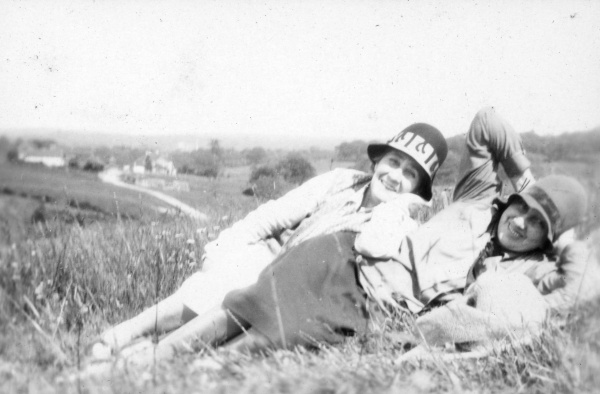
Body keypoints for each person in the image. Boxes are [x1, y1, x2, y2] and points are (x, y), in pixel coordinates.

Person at [109, 107, 588, 363]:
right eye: (522, 209)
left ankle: (194, 373)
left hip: (382, 308)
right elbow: (488, 123)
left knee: (279, 333)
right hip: (352, 261)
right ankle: (154, 357)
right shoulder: (478, 199)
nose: (520, 222)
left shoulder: (529, 269)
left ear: (546, 240)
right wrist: (528, 183)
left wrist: (564, 238)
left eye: (537, 225)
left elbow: (578, 289)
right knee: (245, 304)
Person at [92, 121, 449, 358]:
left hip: (307, 293)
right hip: (272, 260)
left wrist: (400, 207)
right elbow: (273, 215)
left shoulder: (399, 225)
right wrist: (223, 248)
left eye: (410, 175)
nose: (394, 176)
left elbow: (373, 248)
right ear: (377, 162)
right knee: (213, 282)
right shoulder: (341, 181)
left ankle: (156, 357)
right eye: (392, 162)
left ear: (418, 190)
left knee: (246, 312)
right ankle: (123, 337)